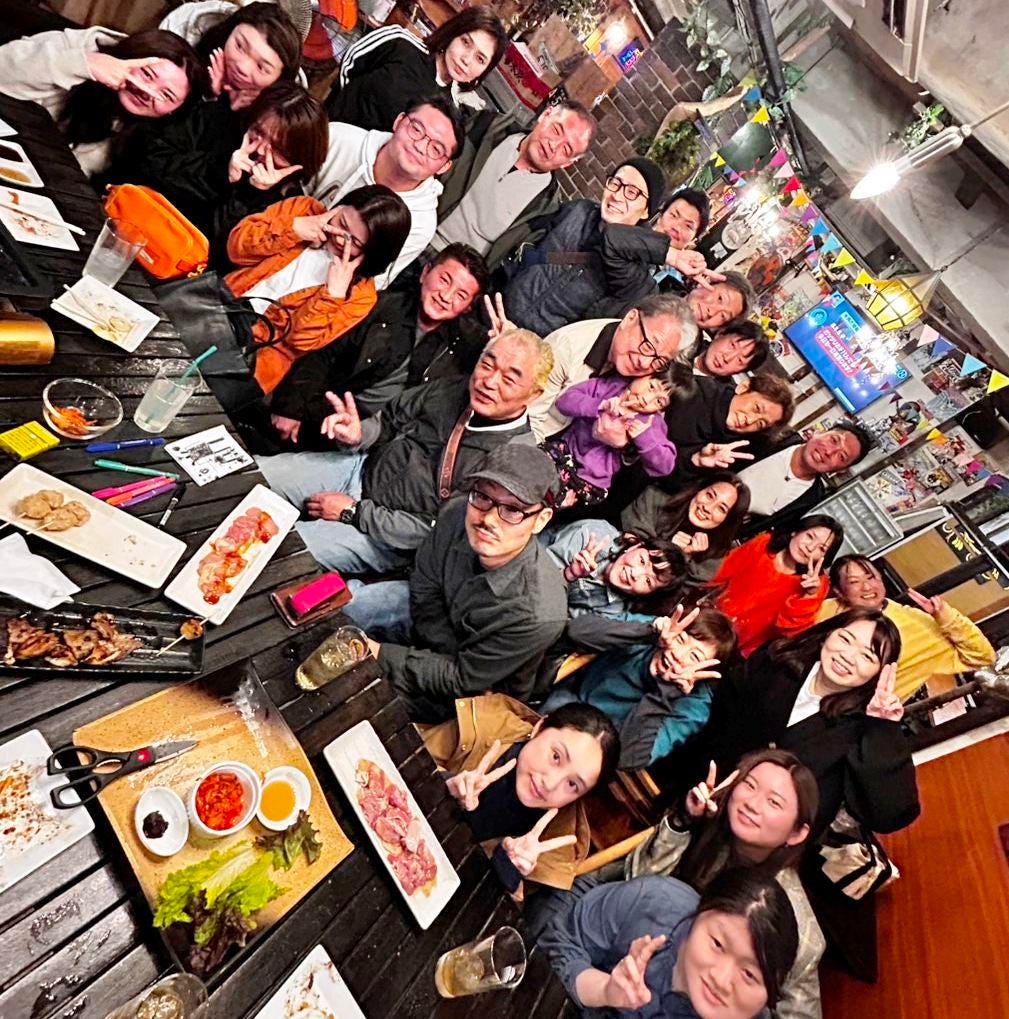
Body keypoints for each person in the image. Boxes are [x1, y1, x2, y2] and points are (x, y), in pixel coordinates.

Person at [256, 328, 551, 575]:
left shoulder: (514, 462)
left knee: (276, 551)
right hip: (362, 468)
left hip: (384, 534)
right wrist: (359, 434)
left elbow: (439, 530)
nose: (489, 381)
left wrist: (354, 512)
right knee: (254, 472)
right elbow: (389, 420)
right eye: (487, 364)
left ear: (534, 394)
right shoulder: (454, 389)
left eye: (509, 379)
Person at [347, 445, 569, 721]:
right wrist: (431, 648)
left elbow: (462, 679)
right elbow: (423, 584)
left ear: (540, 520)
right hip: (430, 627)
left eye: (513, 510)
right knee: (350, 608)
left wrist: (382, 654)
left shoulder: (538, 614)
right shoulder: (458, 512)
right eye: (483, 496)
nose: (488, 519)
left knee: (361, 699)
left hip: (468, 691)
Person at [679, 608, 920, 840]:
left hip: (753, 846)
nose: (848, 656)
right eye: (845, 639)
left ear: (878, 673)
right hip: (692, 796)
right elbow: (715, 719)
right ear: (828, 634)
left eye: (867, 656)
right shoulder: (776, 661)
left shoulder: (860, 731)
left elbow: (890, 815)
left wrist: (883, 728)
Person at [621, 750, 824, 1019]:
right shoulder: (710, 826)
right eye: (749, 785)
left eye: (774, 802)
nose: (752, 804)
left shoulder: (800, 931)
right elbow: (634, 885)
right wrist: (685, 818)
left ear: (797, 833)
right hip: (640, 960)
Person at [265, 244, 490, 446]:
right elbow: (324, 355)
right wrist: (290, 408)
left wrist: (503, 340)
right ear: (425, 273)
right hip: (321, 411)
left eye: (461, 295)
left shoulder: (464, 346)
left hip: (375, 440)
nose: (446, 296)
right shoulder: (380, 305)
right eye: (444, 280)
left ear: (468, 307)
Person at [207, 184, 410, 404]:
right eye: (341, 223)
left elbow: (299, 342)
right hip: (216, 308)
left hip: (254, 358)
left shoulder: (361, 296)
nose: (340, 238)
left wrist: (332, 295)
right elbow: (235, 249)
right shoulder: (305, 209)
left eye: (355, 242)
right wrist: (293, 229)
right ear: (339, 206)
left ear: (372, 253)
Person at [108, 80, 328, 264]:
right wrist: (220, 171)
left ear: (299, 158)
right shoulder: (218, 122)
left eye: (278, 149)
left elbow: (219, 254)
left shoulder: (289, 205)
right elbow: (147, 162)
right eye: (258, 132)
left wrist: (249, 195)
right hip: (124, 222)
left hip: (173, 267)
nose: (261, 150)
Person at [423, 696, 619, 893]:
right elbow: (410, 755)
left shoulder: (558, 841)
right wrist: (444, 783)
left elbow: (486, 902)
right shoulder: (487, 724)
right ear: (539, 728)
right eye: (556, 756)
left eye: (572, 784)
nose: (550, 784)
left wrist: (508, 869)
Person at [542, 868, 799, 1018]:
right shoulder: (653, 902)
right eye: (718, 944)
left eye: (749, 974)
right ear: (697, 915)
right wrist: (605, 990)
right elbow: (559, 941)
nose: (721, 980)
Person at [546, 605, 737, 770]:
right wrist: (647, 631)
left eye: (694, 657)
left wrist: (666, 692)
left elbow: (627, 758)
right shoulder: (658, 632)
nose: (678, 655)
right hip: (570, 701)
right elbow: (576, 631)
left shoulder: (694, 707)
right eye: (680, 640)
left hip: (600, 752)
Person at [311, 94, 465, 289]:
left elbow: (371, 284)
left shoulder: (421, 222)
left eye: (436, 149)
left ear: (444, 167)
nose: (420, 147)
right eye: (416, 129)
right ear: (399, 121)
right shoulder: (338, 138)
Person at [0, 27, 201, 176]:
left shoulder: (151, 139)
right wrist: (85, 64)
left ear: (174, 110)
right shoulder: (80, 45)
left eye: (166, 95)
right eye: (147, 74)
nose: (147, 91)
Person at [503, 158, 668, 336]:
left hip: (533, 344)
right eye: (615, 183)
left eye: (632, 192)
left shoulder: (632, 274)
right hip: (497, 308)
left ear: (646, 211)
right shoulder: (578, 211)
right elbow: (527, 242)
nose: (617, 196)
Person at [431, 99, 597, 272]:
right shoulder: (488, 127)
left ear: (567, 163)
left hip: (455, 274)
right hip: (419, 225)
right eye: (556, 130)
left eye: (566, 150)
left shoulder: (545, 208)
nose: (553, 146)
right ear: (545, 115)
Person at [816, 554, 995, 701]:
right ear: (839, 591)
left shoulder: (918, 624)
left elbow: (982, 657)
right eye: (854, 582)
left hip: (857, 716)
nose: (867, 587)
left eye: (871, 577)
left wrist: (949, 619)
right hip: (808, 692)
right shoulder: (826, 610)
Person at [529, 293, 699, 442]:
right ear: (630, 318)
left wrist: (624, 445)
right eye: (648, 346)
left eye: (660, 360)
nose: (645, 363)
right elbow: (529, 419)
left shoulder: (652, 378)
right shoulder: (568, 347)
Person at [326, 8, 508, 130]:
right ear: (453, 33)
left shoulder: (447, 110)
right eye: (466, 42)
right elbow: (349, 65)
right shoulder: (400, 43)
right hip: (329, 133)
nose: (466, 60)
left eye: (480, 59)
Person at [712, 515, 843, 658]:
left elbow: (788, 631)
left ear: (824, 558)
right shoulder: (764, 543)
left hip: (739, 650)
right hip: (710, 617)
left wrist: (809, 595)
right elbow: (720, 572)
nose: (810, 548)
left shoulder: (817, 584)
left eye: (821, 548)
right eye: (810, 536)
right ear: (795, 531)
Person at [544, 371, 679, 508]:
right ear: (644, 374)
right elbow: (564, 401)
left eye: (659, 401)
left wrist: (644, 438)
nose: (647, 400)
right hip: (562, 453)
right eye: (652, 387)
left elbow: (665, 466)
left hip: (589, 480)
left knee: (553, 500)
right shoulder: (610, 387)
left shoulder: (651, 423)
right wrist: (599, 405)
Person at [736, 422, 873, 537]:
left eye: (841, 456)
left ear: (841, 470)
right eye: (833, 440)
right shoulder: (776, 436)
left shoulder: (812, 497)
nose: (829, 452)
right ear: (819, 432)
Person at [546, 523, 686, 621]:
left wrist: (570, 576)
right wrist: (568, 573)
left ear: (647, 595)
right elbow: (536, 573)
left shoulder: (614, 608)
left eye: (648, 581)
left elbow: (562, 620)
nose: (635, 574)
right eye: (642, 561)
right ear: (634, 547)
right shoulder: (597, 537)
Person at [621, 472, 751, 568]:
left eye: (721, 509)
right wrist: (669, 549)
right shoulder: (653, 499)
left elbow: (673, 593)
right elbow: (629, 543)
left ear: (727, 520)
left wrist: (683, 557)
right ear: (699, 490)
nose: (707, 508)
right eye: (709, 495)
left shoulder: (714, 559)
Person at [693, 321, 769, 382]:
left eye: (739, 360)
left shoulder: (717, 395)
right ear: (720, 334)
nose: (727, 358)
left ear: (740, 371)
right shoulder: (689, 339)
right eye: (733, 345)